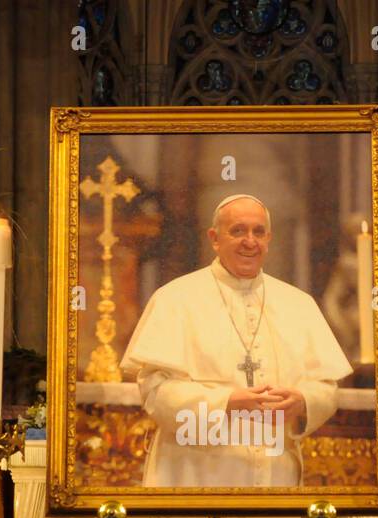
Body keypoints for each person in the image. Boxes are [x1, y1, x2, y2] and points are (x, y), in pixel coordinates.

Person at [120, 194, 352, 487]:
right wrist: (227, 401)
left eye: (258, 232)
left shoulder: (299, 304)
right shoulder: (175, 299)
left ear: (268, 238)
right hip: (192, 473)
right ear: (215, 238)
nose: (250, 241)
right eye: (238, 231)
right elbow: (155, 392)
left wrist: (303, 401)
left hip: (275, 475)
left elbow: (326, 387)